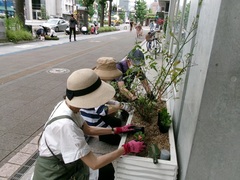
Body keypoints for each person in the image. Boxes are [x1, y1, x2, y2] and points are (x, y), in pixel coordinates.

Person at [32, 69, 145, 180]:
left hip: (65, 165)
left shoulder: (67, 106)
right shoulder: (66, 126)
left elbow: (88, 129)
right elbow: (94, 163)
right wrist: (126, 148)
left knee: (107, 168)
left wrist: (116, 130)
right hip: (54, 173)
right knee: (105, 170)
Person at [81, 58, 132, 145]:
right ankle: (91, 134)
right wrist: (121, 106)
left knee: (118, 122)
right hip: (90, 118)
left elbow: (104, 101)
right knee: (117, 140)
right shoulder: (95, 87)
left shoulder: (97, 80)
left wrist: (118, 104)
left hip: (93, 111)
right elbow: (102, 111)